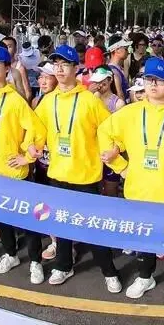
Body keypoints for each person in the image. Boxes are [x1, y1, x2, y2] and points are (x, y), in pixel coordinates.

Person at [100, 57, 164, 303]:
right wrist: (120, 165)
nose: (153, 84)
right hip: (139, 190)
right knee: (144, 239)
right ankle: (145, 276)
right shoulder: (130, 113)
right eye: (149, 79)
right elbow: (104, 133)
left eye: (159, 80)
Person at [32, 44, 119, 288]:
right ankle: (63, 265)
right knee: (61, 225)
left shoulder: (89, 100)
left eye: (65, 65)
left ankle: (109, 270)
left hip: (85, 176)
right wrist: (33, 146)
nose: (59, 70)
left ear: (76, 68)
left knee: (92, 227)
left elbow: (110, 129)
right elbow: (37, 129)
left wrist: (114, 150)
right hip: (58, 174)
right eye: (56, 65)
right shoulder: (48, 101)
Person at [0, 43, 47, 281]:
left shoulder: (15, 100)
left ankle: (35, 261)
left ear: (7, 68)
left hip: (16, 173)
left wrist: (27, 156)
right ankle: (11, 253)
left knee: (27, 219)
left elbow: (37, 130)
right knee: (0, 217)